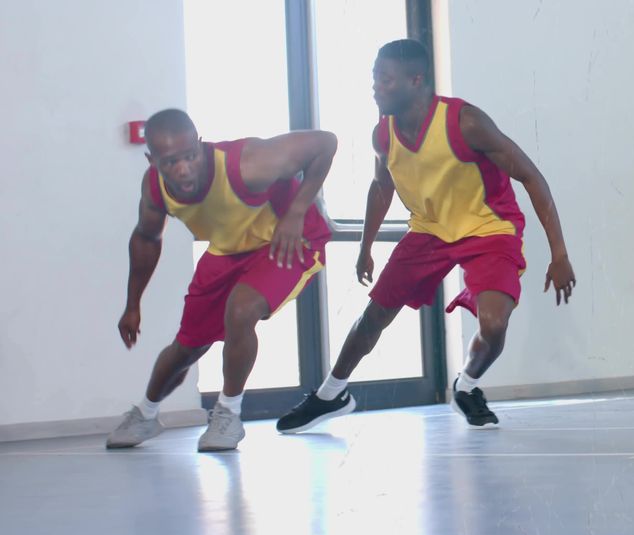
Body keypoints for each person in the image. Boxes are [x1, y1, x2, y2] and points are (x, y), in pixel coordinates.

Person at [276, 39, 576, 432]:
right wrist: (366, 246)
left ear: (416, 81)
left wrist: (559, 254)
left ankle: (466, 386)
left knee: (493, 324)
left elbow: (531, 176)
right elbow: (382, 186)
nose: (375, 88)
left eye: (385, 80)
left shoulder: (465, 122)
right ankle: (330, 395)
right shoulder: (382, 135)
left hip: (488, 228)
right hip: (429, 231)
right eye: (374, 79)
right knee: (374, 315)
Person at [106, 109, 336, 451]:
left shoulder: (247, 164)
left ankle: (228, 414)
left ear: (200, 146)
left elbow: (325, 143)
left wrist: (297, 212)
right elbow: (146, 239)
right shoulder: (154, 188)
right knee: (187, 346)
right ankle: (146, 414)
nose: (183, 168)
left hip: (286, 240)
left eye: (189, 156)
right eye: (170, 162)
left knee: (241, 311)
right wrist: (132, 305)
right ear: (151, 159)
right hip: (227, 251)